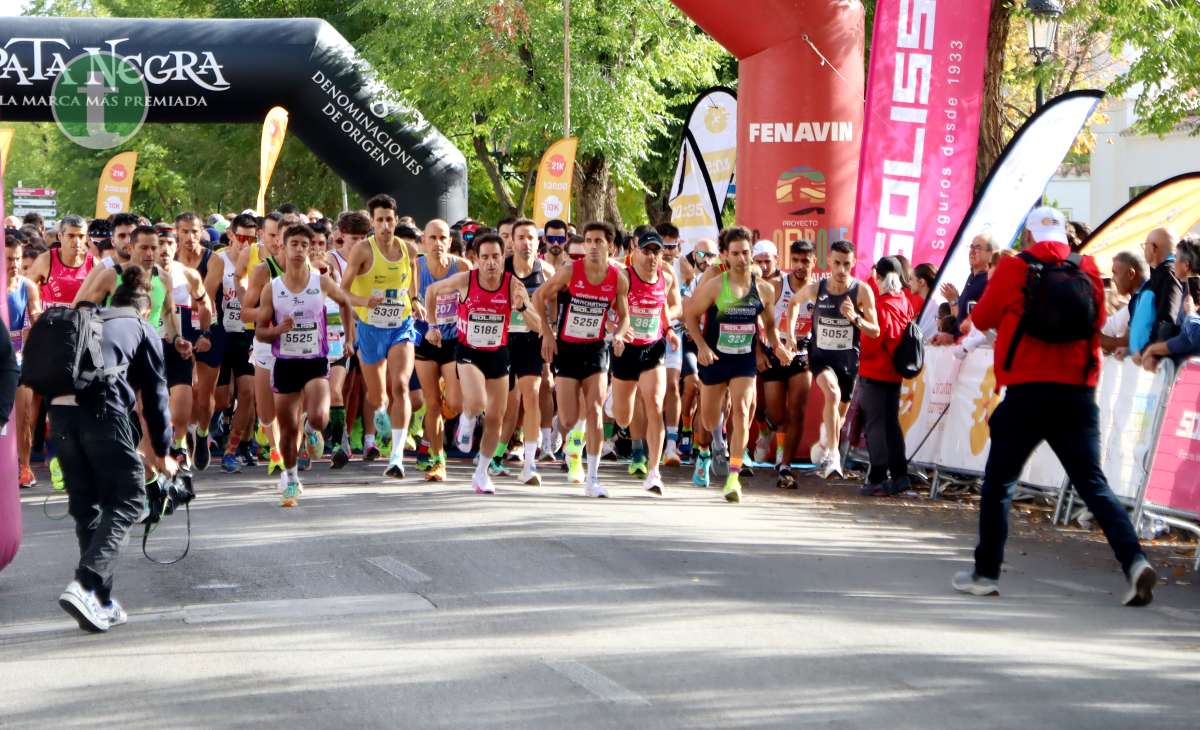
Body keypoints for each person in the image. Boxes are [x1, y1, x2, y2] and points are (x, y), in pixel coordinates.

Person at [953, 206, 1156, 606]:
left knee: (1000, 485)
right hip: (1078, 396)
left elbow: (985, 316)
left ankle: (986, 573)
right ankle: (1135, 562)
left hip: (1026, 393)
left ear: (1029, 237)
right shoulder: (1089, 270)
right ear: (1065, 237)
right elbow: (1097, 322)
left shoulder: (1015, 269)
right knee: (1093, 485)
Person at [54, 266, 177, 632]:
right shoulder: (141, 328)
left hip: (61, 413)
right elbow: (155, 398)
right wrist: (163, 450)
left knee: (88, 505)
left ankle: (100, 602)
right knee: (128, 498)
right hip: (101, 410)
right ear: (143, 309)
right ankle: (86, 583)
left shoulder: (91, 319)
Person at [425, 234, 540, 493]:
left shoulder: (513, 285)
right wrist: (432, 326)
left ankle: (481, 473)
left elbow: (537, 326)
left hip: (499, 353)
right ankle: (467, 418)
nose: (490, 263)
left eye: (496, 257)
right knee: (477, 402)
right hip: (469, 352)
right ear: (475, 259)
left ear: (503, 258)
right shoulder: (466, 280)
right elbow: (432, 291)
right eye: (485, 257)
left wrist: (522, 308)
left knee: (496, 418)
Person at [684, 226, 790, 502]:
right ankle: (705, 453)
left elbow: (769, 325)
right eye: (736, 254)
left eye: (746, 253)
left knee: (743, 410)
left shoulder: (764, 290)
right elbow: (691, 317)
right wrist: (703, 347)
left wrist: (777, 347)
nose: (742, 259)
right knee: (708, 419)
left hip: (743, 360)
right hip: (716, 359)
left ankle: (733, 476)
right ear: (725, 256)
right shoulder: (716, 285)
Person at [255, 224, 355, 506]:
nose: (298, 250)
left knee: (321, 417)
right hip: (285, 363)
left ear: (310, 248)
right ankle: (291, 478)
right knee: (286, 431)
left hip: (314, 360)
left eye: (303, 244)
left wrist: (348, 338)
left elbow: (345, 303)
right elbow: (260, 331)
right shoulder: (272, 289)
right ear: (283, 249)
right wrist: (278, 330)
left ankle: (311, 429)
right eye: (293, 244)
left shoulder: (320, 282)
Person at [534, 221, 630, 497]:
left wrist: (620, 335)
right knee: (567, 417)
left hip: (596, 348)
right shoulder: (570, 271)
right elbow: (540, 296)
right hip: (567, 347)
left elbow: (624, 316)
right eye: (588, 241)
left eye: (599, 241)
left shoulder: (617, 277)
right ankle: (573, 444)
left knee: (595, 410)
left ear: (610, 246)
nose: (593, 246)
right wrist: (548, 333)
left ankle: (593, 478)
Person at [341, 196, 423, 477]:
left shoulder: (408, 249)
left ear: (396, 220)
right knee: (377, 397)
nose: (386, 226)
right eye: (380, 220)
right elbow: (343, 292)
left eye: (390, 220)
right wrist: (364, 301)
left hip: (400, 326)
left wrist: (415, 298)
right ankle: (380, 414)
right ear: (372, 222)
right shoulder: (363, 251)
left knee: (400, 386)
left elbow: (413, 272)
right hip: (370, 328)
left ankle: (397, 457)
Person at [794, 239, 877, 478]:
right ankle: (833, 454)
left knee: (838, 417)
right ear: (829, 262)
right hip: (821, 357)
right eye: (837, 263)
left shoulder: (861, 291)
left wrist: (855, 318)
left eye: (847, 264)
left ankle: (824, 441)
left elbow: (875, 330)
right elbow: (793, 305)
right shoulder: (816, 288)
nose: (841, 270)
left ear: (853, 264)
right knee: (832, 393)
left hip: (849, 360)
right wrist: (790, 334)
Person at [610, 231, 681, 494]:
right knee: (622, 415)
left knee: (654, 404)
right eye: (647, 251)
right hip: (626, 350)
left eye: (657, 252)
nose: (652, 257)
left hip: (652, 349)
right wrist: (616, 332)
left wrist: (670, 330)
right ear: (635, 251)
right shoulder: (624, 277)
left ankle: (654, 472)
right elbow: (613, 313)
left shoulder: (667, 277)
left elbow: (663, 309)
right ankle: (612, 399)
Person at [498, 218, 556, 485]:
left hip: (531, 339)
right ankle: (496, 452)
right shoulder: (499, 269)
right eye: (520, 237)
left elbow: (553, 308)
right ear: (511, 241)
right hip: (501, 339)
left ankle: (530, 463)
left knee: (530, 396)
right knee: (505, 404)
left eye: (531, 237)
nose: (526, 242)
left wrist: (550, 332)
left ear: (538, 241)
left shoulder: (546, 271)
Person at [413, 219, 468, 481]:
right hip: (425, 340)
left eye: (442, 238)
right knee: (432, 404)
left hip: (453, 341)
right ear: (423, 240)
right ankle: (438, 460)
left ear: (450, 241)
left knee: (454, 404)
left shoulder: (461, 267)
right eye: (432, 238)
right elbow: (408, 297)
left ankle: (450, 391)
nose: (437, 243)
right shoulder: (417, 266)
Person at [855, 257, 912, 496]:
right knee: (891, 424)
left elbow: (870, 344)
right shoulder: (904, 302)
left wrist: (857, 321)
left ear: (879, 277)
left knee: (875, 424)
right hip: (894, 372)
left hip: (874, 371)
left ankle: (877, 475)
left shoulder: (880, 306)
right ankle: (900, 475)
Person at [7, 234, 41, 488]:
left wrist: (39, 320)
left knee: (24, 415)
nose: (14, 264)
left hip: (20, 357)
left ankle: (25, 466)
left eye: (17, 258)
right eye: (8, 259)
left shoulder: (28, 286)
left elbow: (36, 312)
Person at [1140, 236, 1200, 366]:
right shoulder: (1187, 291)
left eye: (1176, 258)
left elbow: (1193, 337)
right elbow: (1185, 338)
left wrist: (1190, 312)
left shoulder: (1193, 297)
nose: (1173, 262)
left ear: (1186, 265)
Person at [1129, 227, 1186, 362]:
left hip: (1155, 364)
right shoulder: (1156, 277)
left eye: (1145, 245)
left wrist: (1148, 351)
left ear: (1153, 248)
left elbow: (1168, 318)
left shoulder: (1169, 274)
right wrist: (1129, 350)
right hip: (1143, 361)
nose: (1143, 250)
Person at [933, 232, 995, 345]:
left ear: (991, 254)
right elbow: (961, 319)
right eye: (971, 247)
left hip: (978, 352)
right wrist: (950, 335)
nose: (972, 251)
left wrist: (953, 301)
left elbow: (976, 324)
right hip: (963, 349)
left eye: (978, 248)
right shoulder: (971, 278)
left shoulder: (990, 281)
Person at [1099, 251, 1148, 355]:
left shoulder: (1144, 298)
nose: (1112, 279)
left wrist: (1093, 336)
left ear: (1131, 274)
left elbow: (1127, 343)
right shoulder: (1137, 300)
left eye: (1115, 273)